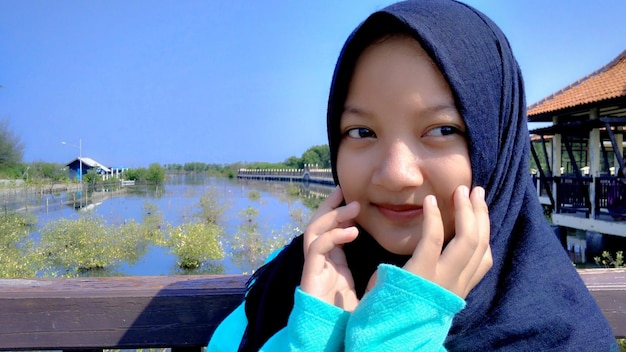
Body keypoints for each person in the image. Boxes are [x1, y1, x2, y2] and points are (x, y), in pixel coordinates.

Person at [208, 0, 617, 350]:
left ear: (496, 143)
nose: (396, 175)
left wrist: (402, 326)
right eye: (361, 133)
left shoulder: (558, 334)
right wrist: (313, 334)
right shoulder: (291, 290)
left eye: (442, 130)